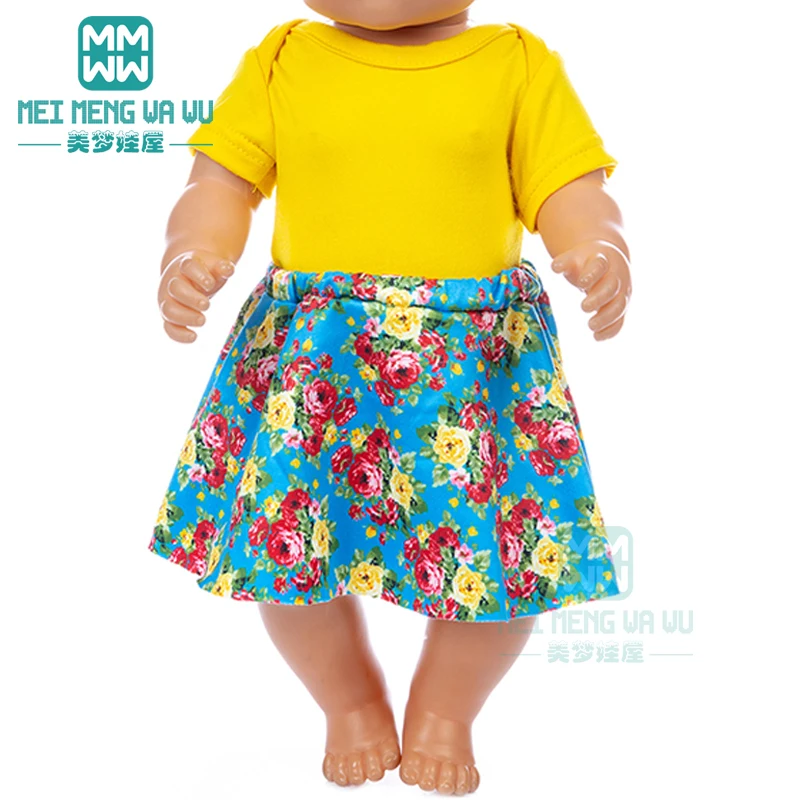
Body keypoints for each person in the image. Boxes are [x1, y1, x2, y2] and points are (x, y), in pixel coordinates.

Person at [149, 1, 632, 794]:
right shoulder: (283, 61)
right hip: (320, 364)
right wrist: (191, 250)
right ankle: (349, 699)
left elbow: (572, 187)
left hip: (469, 370)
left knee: (502, 558)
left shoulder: (516, 64)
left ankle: (446, 707)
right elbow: (217, 182)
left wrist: (597, 243)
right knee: (285, 546)